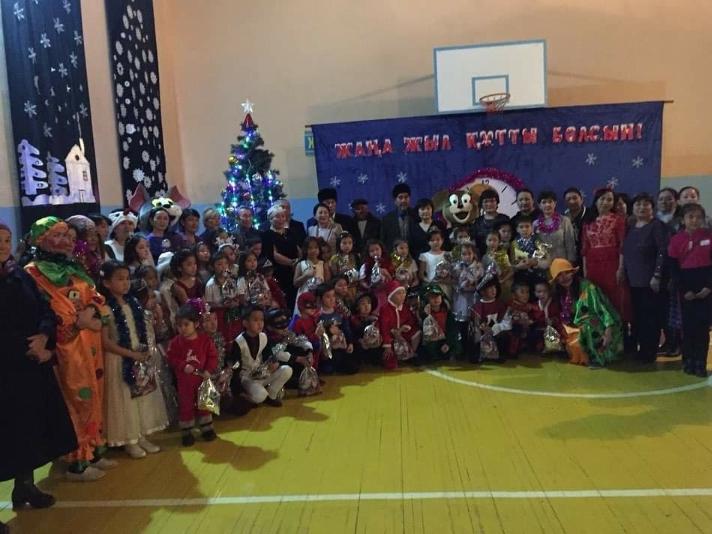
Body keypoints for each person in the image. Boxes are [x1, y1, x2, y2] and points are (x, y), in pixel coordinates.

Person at [24, 217, 113, 481]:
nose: (66, 241)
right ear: (40, 239)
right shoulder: (33, 273)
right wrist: (75, 322)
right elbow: (43, 309)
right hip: (66, 347)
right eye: (58, 235)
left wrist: (94, 313)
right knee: (74, 399)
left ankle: (93, 449)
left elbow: (97, 297)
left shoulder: (74, 267)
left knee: (94, 394)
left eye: (68, 236)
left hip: (90, 342)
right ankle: (77, 460)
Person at [0, 221, 77, 522]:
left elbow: (45, 310)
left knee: (29, 429)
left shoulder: (19, 274)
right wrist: (26, 346)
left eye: (7, 240)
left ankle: (25, 487)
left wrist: (45, 337)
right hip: (6, 367)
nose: (3, 246)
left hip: (30, 366)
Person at [99, 261, 168, 458]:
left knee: (142, 396)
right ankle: (130, 439)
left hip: (138, 356)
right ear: (106, 283)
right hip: (119, 359)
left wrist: (144, 351)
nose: (125, 283)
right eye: (120, 279)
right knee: (125, 399)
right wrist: (130, 354)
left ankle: (141, 434)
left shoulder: (134, 303)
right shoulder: (105, 309)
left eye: (127, 278)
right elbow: (105, 341)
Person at [550, 258, 623, 368]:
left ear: (573, 273)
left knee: (588, 326)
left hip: (601, 324)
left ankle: (597, 358)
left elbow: (602, 309)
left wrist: (608, 330)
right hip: (575, 325)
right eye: (559, 275)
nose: (564, 278)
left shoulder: (588, 287)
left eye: (567, 273)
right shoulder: (560, 293)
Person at [622, 193, 668, 363]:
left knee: (650, 318)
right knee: (638, 317)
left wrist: (657, 275)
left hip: (650, 281)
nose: (642, 207)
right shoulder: (631, 227)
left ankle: (649, 352)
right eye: (638, 204)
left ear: (652, 208)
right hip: (633, 280)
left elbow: (663, 251)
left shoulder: (657, 226)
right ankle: (639, 349)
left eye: (646, 204)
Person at [667, 204, 712, 377]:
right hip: (685, 286)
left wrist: (709, 287)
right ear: (683, 219)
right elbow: (673, 268)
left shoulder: (709, 236)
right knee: (687, 327)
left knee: (702, 327)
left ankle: (700, 362)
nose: (694, 220)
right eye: (690, 217)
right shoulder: (676, 240)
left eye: (698, 217)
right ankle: (688, 361)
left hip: (706, 286)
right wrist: (684, 289)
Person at [166, 304, 219, 446]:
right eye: (179, 325)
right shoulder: (176, 342)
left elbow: (213, 356)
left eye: (186, 324)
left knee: (205, 403)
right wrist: (183, 366)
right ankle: (187, 431)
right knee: (186, 405)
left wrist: (208, 370)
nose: (182, 328)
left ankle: (207, 428)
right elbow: (171, 358)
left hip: (202, 379)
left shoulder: (205, 340)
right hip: (185, 382)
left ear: (195, 324)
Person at [581, 187, 631, 322]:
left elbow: (622, 246)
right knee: (597, 297)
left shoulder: (618, 220)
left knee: (615, 298)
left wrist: (621, 268)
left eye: (609, 200)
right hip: (593, 265)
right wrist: (585, 271)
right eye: (602, 199)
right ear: (596, 201)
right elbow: (585, 248)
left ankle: (618, 330)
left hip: (612, 264)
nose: (605, 202)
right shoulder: (588, 222)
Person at [232, 305, 293, 406]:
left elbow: (268, 355)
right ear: (245, 323)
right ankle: (249, 397)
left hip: (261, 374)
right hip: (247, 378)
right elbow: (235, 366)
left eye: (262, 320)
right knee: (260, 396)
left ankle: (271, 395)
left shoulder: (263, 336)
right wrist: (238, 390)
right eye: (255, 320)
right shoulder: (239, 342)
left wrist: (273, 363)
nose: (260, 323)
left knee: (287, 370)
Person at [262, 204, 300, 309]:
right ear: (270, 219)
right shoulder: (267, 235)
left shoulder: (290, 232)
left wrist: (299, 262)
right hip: (280, 272)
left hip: (295, 271)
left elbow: (297, 248)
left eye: (283, 216)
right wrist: (292, 263)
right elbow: (274, 254)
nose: (281, 219)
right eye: (277, 217)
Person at [379, 280, 421, 369]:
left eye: (403, 293)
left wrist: (404, 328)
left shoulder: (405, 307)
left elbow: (411, 320)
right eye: (399, 293)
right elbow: (384, 328)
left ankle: (410, 353)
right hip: (390, 337)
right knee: (391, 365)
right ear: (391, 296)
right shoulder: (385, 309)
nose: (403, 296)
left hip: (402, 334)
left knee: (416, 332)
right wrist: (387, 345)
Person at [420, 284, 461, 362]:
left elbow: (453, 330)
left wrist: (448, 343)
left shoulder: (447, 313)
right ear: (427, 299)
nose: (436, 299)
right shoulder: (423, 314)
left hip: (445, 339)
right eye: (432, 297)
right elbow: (426, 334)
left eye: (438, 296)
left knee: (457, 346)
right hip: (432, 341)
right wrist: (426, 315)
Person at [534, 190, 577, 264]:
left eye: (550, 202)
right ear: (539, 205)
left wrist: (570, 262)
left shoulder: (565, 221)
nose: (547, 205)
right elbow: (535, 246)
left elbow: (570, 244)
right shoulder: (535, 224)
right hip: (543, 264)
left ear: (555, 203)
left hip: (562, 263)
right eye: (544, 202)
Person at [470, 189, 510, 257]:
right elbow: (474, 242)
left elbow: (510, 239)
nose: (489, 204)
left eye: (492, 201)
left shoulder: (504, 219)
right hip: (481, 257)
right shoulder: (477, 222)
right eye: (486, 201)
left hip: (502, 257)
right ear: (481, 204)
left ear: (497, 203)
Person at [381, 183, 418, 251]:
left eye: (406, 197)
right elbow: (384, 242)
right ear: (395, 200)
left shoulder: (417, 215)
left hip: (415, 254)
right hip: (394, 255)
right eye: (400, 197)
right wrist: (394, 256)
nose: (403, 200)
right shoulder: (387, 219)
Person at [418, 228, 451, 299]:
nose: (435, 242)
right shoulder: (424, 256)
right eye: (432, 240)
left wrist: (447, 279)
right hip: (431, 285)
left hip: (445, 285)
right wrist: (430, 281)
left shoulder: (448, 254)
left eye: (438, 239)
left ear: (442, 240)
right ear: (428, 242)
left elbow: (451, 270)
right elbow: (421, 274)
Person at [563, 187, 588, 265]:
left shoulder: (591, 214)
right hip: (570, 258)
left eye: (575, 198)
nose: (572, 201)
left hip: (588, 256)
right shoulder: (562, 219)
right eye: (568, 199)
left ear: (581, 199)